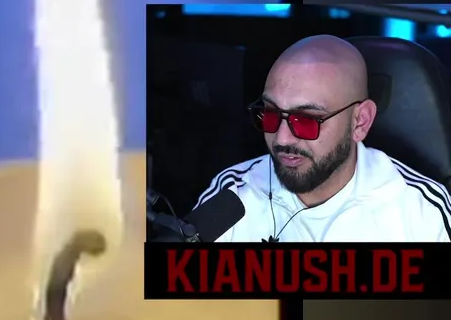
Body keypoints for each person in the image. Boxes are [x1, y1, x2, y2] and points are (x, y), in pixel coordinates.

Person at [193, 35, 451, 242]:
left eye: (306, 120)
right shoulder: (232, 194)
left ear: (360, 122)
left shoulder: (422, 213)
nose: (282, 139)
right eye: (270, 115)